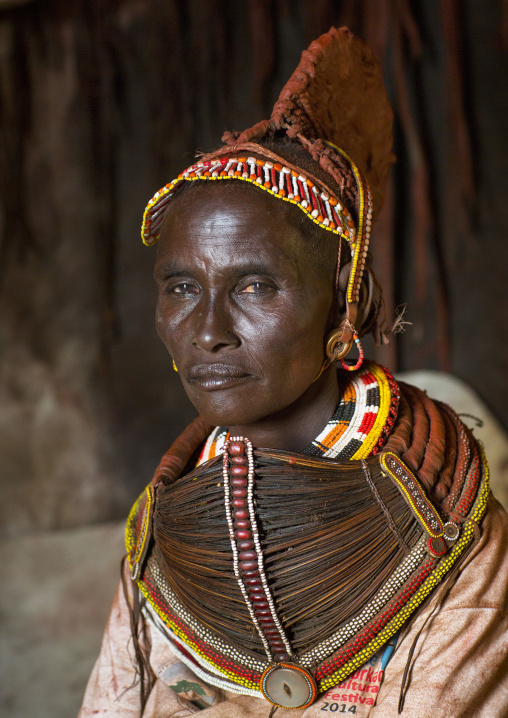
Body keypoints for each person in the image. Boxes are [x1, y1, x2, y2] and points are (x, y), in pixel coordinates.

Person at [79, 27, 508, 718]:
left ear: (348, 299)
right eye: (182, 288)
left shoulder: (453, 534)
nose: (210, 332)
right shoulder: (159, 535)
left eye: (254, 286)